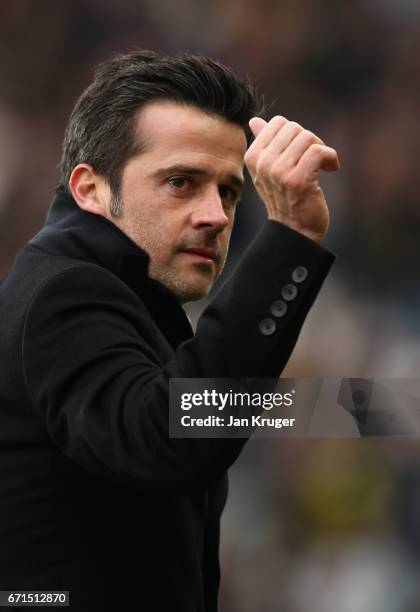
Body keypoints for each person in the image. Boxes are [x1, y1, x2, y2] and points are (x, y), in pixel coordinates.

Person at [0, 50, 338, 611]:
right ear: (89, 189)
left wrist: (381, 407)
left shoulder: (118, 300)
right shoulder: (64, 293)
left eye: (229, 191)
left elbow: (181, 410)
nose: (216, 215)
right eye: (181, 182)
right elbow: (169, 433)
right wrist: (290, 238)